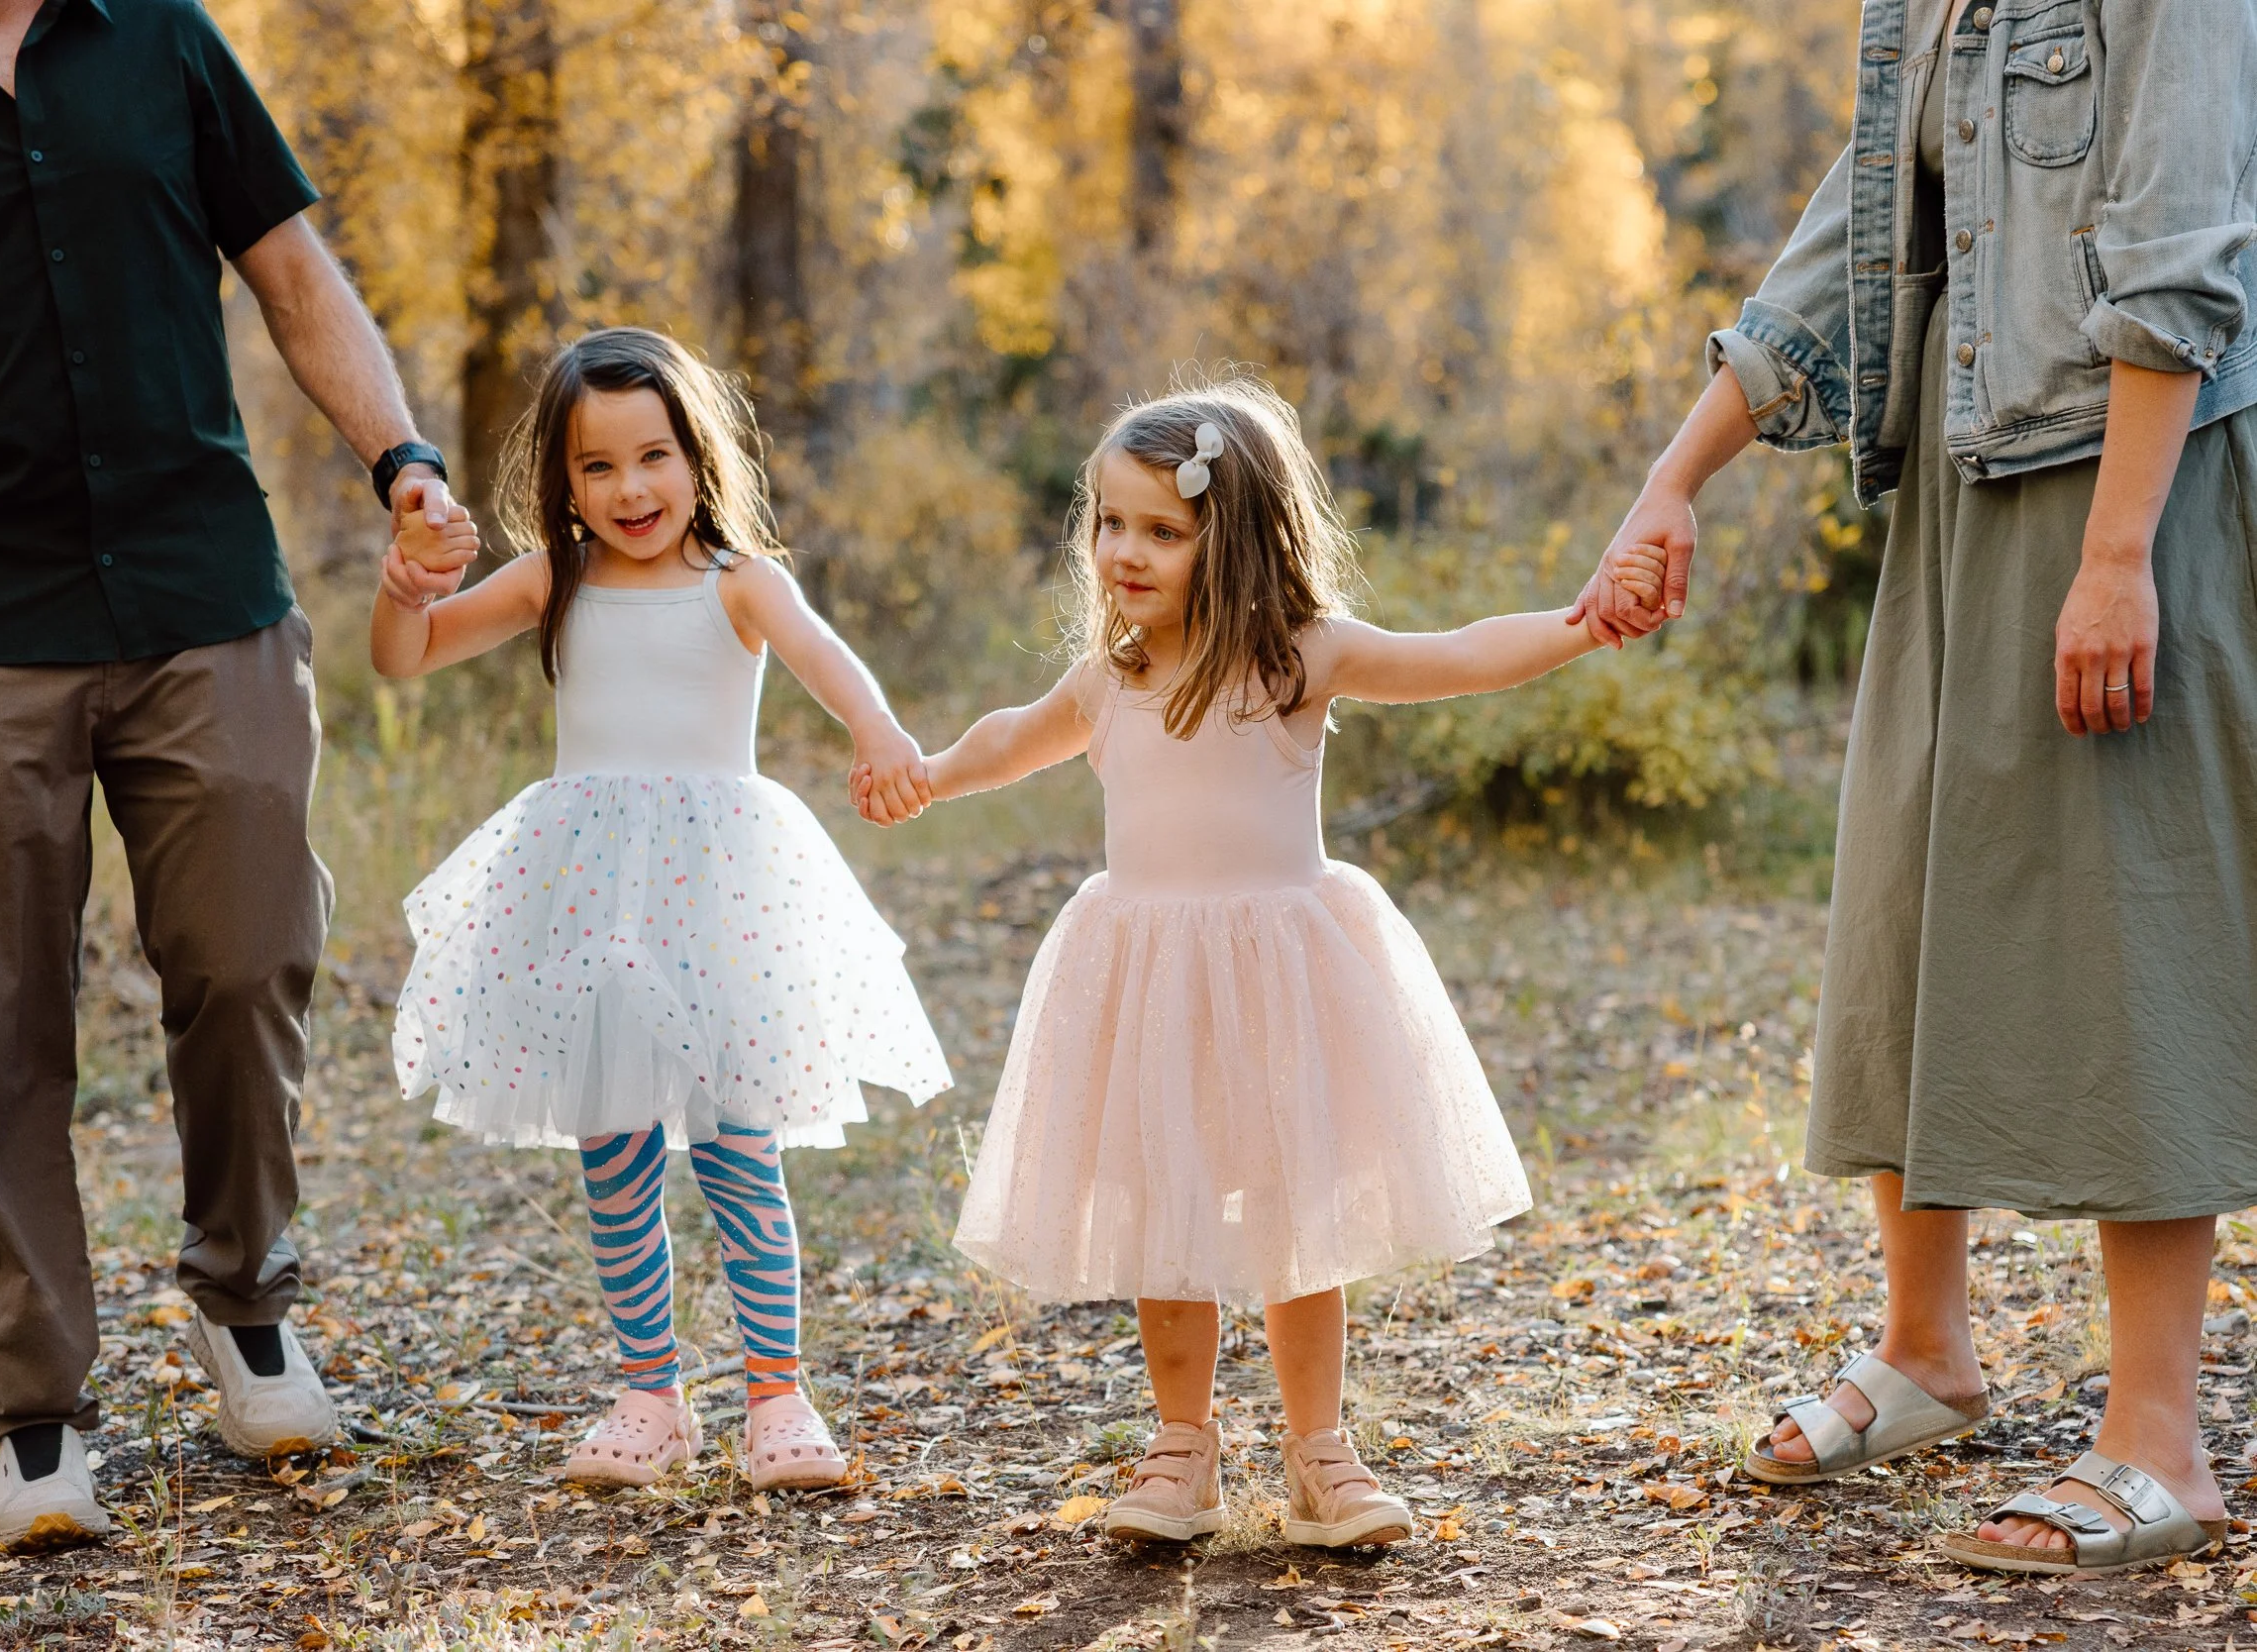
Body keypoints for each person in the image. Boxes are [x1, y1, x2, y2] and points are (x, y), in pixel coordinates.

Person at [1573, 0, 2257, 1577]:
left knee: (2122, 921)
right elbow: (1854, 234)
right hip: (1961, 486)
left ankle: (2160, 1439)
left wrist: (2115, 559)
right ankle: (1926, 1353)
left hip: (2129, 495)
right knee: (1908, 897)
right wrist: (1673, 479)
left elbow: (2179, 248)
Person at [0, 0, 462, 1550]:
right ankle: (35, 1418)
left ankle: (248, 1304)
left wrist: (401, 457)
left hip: (200, 592)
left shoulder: (161, 39)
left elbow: (293, 272)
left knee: (250, 956)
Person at [856, 373, 1665, 1547]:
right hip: (1151, 983)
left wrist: (1581, 623)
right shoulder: (1113, 680)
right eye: (1108, 522)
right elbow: (1008, 740)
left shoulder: (1296, 661)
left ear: (1229, 541)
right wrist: (925, 772)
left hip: (1282, 980)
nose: (1122, 551)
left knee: (1298, 1215)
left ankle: (1318, 1452)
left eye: (1160, 530)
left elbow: (1458, 655)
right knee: (1160, 1211)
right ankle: (1183, 1447)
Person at [373, 326, 951, 1493]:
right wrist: (403, 587)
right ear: (564, 481)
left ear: (699, 457)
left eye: (654, 457)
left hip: (720, 902)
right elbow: (408, 657)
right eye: (596, 466)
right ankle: (652, 1393)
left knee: (741, 1148)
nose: (630, 489)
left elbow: (828, 659)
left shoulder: (740, 582)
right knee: (615, 1148)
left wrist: (879, 731)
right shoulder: (556, 579)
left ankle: (777, 1397)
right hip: (588, 903)